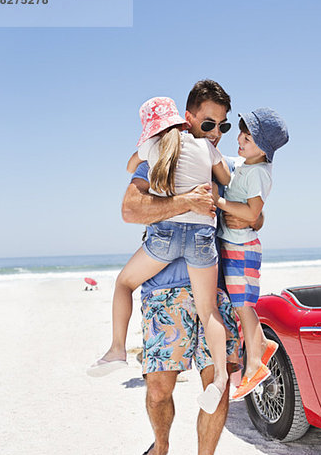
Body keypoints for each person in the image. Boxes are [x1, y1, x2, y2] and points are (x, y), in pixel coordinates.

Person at [121, 80, 262, 455]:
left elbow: (254, 217)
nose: (216, 131)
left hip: (214, 288)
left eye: (221, 125)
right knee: (159, 390)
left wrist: (239, 211)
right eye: (208, 122)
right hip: (164, 291)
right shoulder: (163, 151)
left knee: (215, 383)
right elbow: (131, 210)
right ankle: (160, 447)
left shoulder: (221, 161)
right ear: (187, 115)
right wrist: (186, 202)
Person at [88, 96, 231, 414]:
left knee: (124, 283)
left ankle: (116, 349)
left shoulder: (152, 148)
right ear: (184, 120)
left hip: (165, 237)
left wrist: (147, 151)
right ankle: (220, 378)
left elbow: (128, 166)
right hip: (201, 238)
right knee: (208, 311)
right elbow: (224, 178)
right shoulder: (205, 147)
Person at [214, 108, 289, 399]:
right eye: (241, 134)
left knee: (244, 306)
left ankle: (255, 365)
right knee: (241, 304)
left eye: (247, 137)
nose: (240, 139)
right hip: (236, 245)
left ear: (264, 148)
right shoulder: (246, 165)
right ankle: (262, 349)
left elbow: (253, 212)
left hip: (242, 247)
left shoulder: (257, 173)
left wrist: (219, 202)